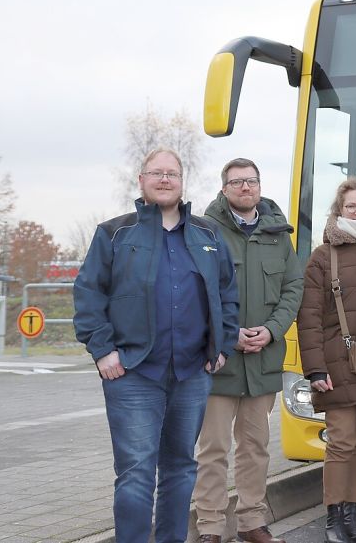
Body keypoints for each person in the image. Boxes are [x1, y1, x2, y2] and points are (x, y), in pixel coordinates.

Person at [73, 147, 238, 543]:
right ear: (141, 180)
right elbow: (88, 294)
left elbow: (228, 293)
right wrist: (103, 351)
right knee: (135, 472)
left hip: (191, 372)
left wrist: (222, 346)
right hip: (132, 373)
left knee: (181, 467)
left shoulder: (208, 235)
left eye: (173, 174)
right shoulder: (114, 233)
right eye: (156, 173)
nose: (165, 179)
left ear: (182, 182)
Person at [193, 158, 303, 543]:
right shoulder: (205, 231)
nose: (245, 187)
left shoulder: (278, 233)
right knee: (213, 449)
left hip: (263, 360)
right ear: (224, 189)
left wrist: (272, 331)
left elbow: (293, 288)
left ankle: (251, 523)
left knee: (255, 449)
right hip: (219, 361)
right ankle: (208, 528)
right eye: (237, 182)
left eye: (251, 181)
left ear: (259, 186)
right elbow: (196, 292)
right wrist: (226, 333)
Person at [298, 178, 356, 543]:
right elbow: (309, 317)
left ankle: (353, 517)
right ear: (339, 210)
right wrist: (315, 368)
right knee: (341, 441)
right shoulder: (323, 255)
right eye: (350, 206)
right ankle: (334, 521)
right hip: (336, 362)